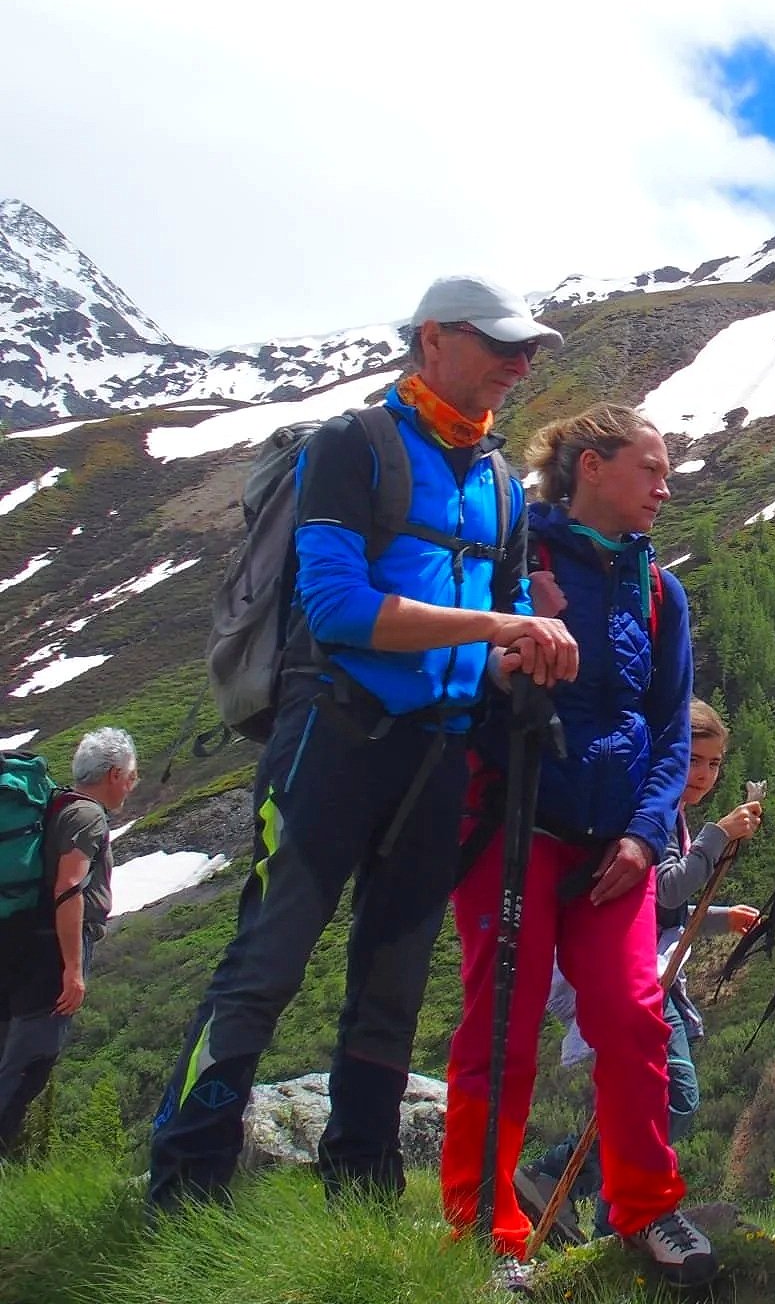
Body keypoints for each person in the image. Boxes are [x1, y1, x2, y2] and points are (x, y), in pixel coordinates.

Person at [149, 276, 578, 1210]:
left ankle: (363, 1191)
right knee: (268, 961)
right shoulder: (353, 446)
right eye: (500, 343)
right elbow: (337, 609)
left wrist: (523, 649)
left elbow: (499, 619)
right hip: (332, 739)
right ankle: (185, 1183)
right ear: (432, 340)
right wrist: (497, 633)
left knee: (392, 980)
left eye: (528, 348)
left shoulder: (500, 480)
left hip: (439, 751)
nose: (521, 361)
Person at [436, 402, 716, 1289]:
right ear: (591, 466)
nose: (664, 490)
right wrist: (512, 639)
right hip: (512, 830)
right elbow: (460, 676)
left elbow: (670, 731)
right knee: (502, 1025)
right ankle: (484, 1229)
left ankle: (646, 1210)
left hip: (612, 849)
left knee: (635, 1018)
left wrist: (642, 835)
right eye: (651, 469)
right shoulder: (516, 560)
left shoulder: (658, 591)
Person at [516, 697, 763, 1242]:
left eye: (715, 764)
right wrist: (716, 837)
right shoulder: (650, 812)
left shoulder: (667, 811)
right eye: (695, 759)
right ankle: (559, 1176)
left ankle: (611, 1216)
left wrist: (722, 919)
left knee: (649, 1095)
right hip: (635, 972)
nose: (703, 774)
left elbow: (662, 903)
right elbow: (666, 889)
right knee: (675, 1093)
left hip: (647, 966)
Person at [0, 728, 134, 1154]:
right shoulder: (87, 816)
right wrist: (73, 969)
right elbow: (69, 887)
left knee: (11, 1058)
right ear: (114, 774)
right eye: (131, 774)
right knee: (28, 1065)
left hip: (18, 943)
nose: (133, 783)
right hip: (49, 955)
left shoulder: (55, 804)